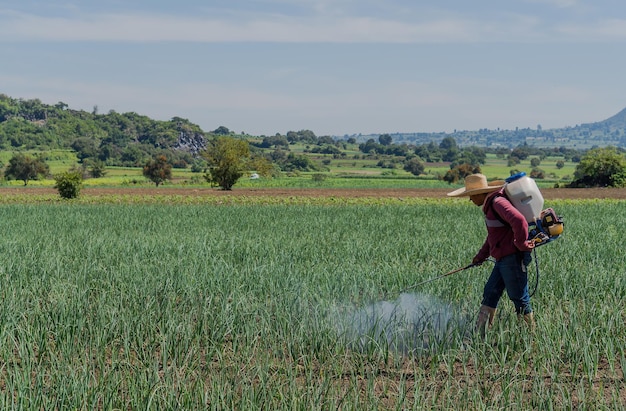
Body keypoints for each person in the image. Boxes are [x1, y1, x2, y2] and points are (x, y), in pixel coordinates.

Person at [447, 173, 536, 334]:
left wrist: (521, 243)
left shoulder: (498, 203)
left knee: (520, 299)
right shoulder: (491, 206)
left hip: (512, 258)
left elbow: (519, 220)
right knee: (490, 294)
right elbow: (493, 237)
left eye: (471, 196)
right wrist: (481, 256)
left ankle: (530, 338)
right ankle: (480, 334)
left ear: (480, 193)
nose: (470, 199)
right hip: (502, 259)